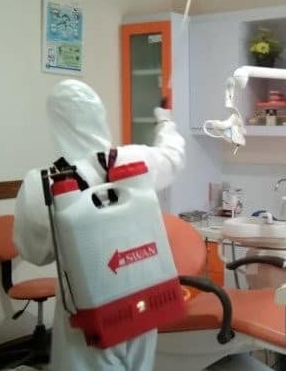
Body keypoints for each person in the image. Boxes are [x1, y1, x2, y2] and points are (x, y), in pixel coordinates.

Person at [13, 79, 186, 371]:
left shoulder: (42, 183)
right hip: (142, 300)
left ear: (56, 123)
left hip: (88, 310)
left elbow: (35, 253)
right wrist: (165, 120)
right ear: (99, 115)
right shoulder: (135, 160)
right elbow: (173, 156)